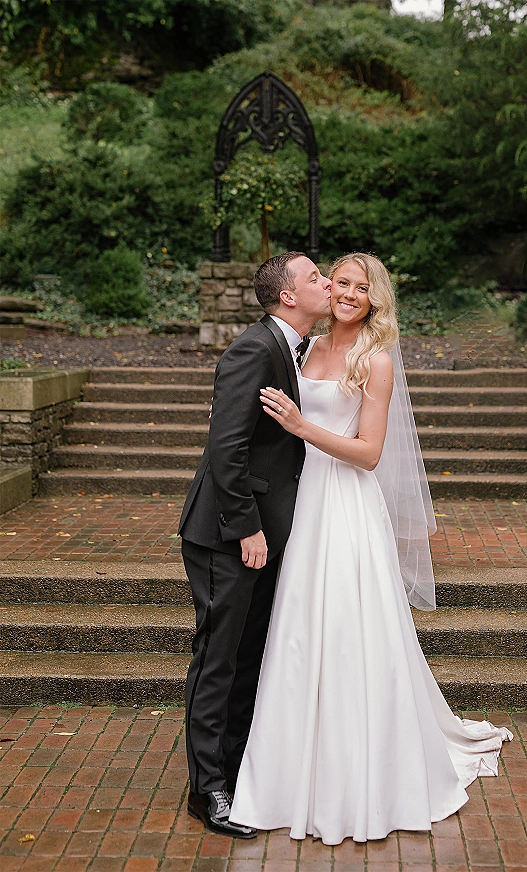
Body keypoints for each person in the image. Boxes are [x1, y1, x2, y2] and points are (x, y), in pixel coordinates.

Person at [229, 253, 512, 845]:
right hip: (301, 502)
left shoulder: (373, 362)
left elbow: (369, 453)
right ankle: (288, 770)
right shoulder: (302, 351)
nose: (350, 294)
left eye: (363, 288)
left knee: (351, 628)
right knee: (300, 630)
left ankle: (363, 772)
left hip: (347, 505)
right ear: (327, 290)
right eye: (342, 284)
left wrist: (302, 427)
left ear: (375, 299)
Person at [178, 251, 331, 838]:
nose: (325, 283)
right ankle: (207, 788)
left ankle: (237, 768)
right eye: (315, 277)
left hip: (266, 531)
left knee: (249, 654)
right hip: (227, 533)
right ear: (288, 296)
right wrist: (246, 529)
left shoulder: (293, 350)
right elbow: (226, 450)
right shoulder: (252, 349)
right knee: (218, 658)